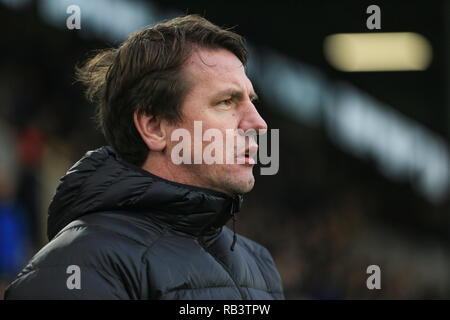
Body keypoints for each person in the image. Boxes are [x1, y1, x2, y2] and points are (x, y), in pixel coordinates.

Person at [5, 14, 284, 300]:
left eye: (252, 101)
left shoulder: (259, 264)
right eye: (226, 101)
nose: (258, 123)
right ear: (154, 127)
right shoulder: (75, 267)